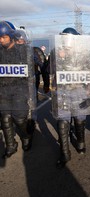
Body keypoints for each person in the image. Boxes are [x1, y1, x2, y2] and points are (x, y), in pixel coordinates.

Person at [51, 27, 90, 168]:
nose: (66, 43)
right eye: (63, 39)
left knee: (79, 119)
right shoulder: (56, 52)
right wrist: (58, 58)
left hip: (80, 91)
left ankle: (81, 142)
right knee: (63, 122)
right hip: (62, 92)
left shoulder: (84, 54)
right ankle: (64, 153)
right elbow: (49, 71)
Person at [0, 21, 36, 158]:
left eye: (3, 37)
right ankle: (10, 145)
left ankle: (26, 136)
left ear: (10, 36)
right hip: (3, 89)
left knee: (19, 118)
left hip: (19, 89)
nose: (1, 40)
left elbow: (30, 72)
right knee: (5, 118)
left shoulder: (23, 50)